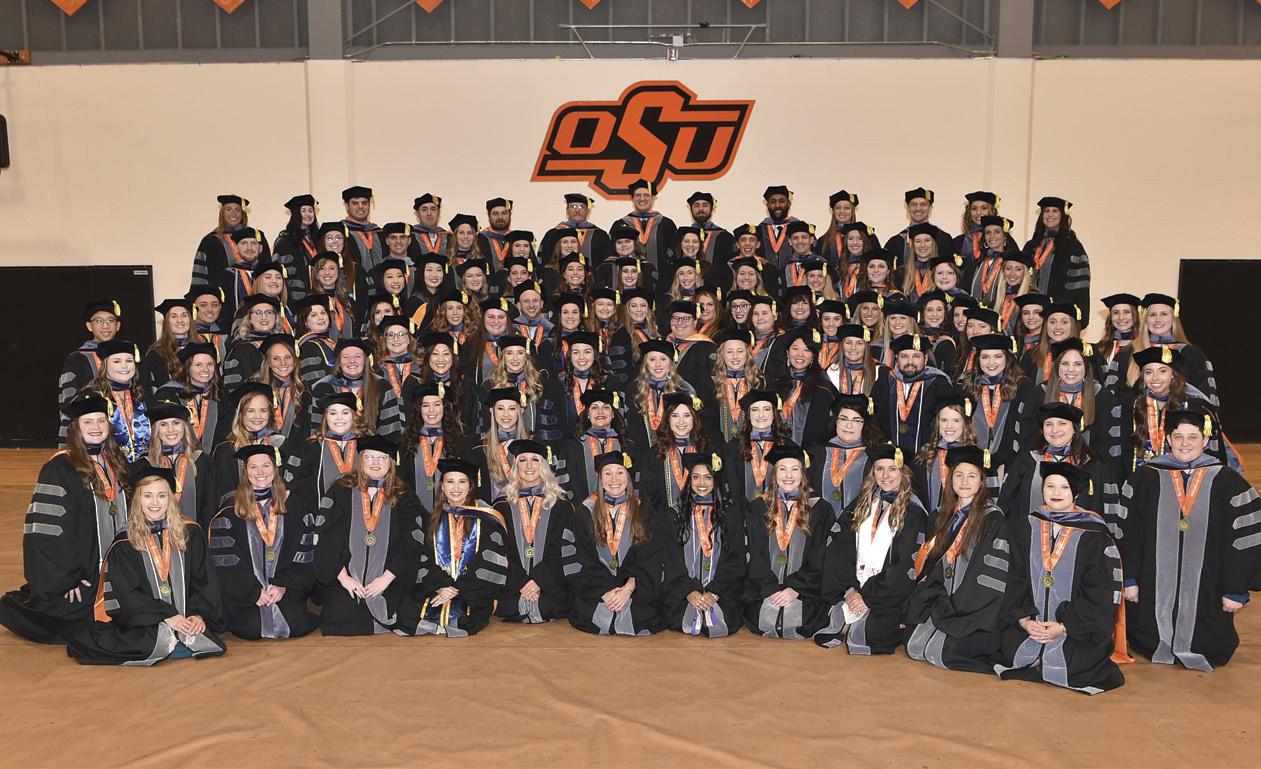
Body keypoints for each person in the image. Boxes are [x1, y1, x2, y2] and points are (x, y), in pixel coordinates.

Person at [1116, 408, 1261, 670]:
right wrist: (1130, 579)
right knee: (1148, 635)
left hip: (1210, 588)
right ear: (1168, 439)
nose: (1185, 443)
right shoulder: (1145, 478)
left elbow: (1245, 540)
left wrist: (1236, 590)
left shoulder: (1228, 481)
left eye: (1192, 437)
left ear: (1205, 440)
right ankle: (1159, 642)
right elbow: (1127, 534)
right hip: (1152, 585)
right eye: (1178, 436)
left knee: (1210, 640)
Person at [0, 392, 128, 643]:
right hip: (82, 575)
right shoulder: (60, 467)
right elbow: (47, 533)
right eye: (87, 421)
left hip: (117, 572)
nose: (96, 427)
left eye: (101, 420)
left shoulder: (116, 461)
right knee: (78, 623)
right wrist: (67, 580)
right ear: (75, 428)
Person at [67, 465, 225, 665]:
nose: (155, 503)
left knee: (205, 639)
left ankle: (182, 629)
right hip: (146, 620)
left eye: (161, 496)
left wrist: (198, 614)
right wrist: (167, 616)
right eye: (147, 496)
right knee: (148, 642)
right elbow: (127, 594)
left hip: (186, 615)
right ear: (138, 500)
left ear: (171, 499)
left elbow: (204, 580)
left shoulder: (190, 533)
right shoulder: (125, 542)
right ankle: (168, 634)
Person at [995, 462, 1126, 694]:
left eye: (1064, 487)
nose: (1056, 493)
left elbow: (1099, 591)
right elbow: (1015, 578)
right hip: (1032, 624)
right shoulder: (1027, 526)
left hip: (1075, 628)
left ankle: (1055, 646)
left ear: (1075, 493)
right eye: (1050, 486)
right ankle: (1035, 648)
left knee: (1079, 666)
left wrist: (1065, 627)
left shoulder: (1094, 532)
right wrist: (1024, 620)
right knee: (1006, 651)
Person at [905, 445, 1013, 673]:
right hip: (942, 602)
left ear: (981, 481)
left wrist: (956, 608)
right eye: (959, 475)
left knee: (942, 652)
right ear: (951, 479)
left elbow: (989, 575)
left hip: (973, 611)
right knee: (914, 646)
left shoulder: (993, 519)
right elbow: (930, 567)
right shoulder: (940, 516)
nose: (964, 481)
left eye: (972, 476)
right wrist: (938, 601)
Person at [816, 442, 930, 654]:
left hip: (887, 596)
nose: (886, 476)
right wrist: (849, 590)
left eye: (892, 469)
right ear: (873, 472)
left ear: (904, 472)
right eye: (879, 469)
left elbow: (904, 563)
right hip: (853, 587)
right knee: (820, 618)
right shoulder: (861, 504)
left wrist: (868, 597)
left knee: (871, 632)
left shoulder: (914, 512)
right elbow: (840, 548)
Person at [209, 444, 319, 640]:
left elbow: (305, 555)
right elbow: (226, 564)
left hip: (284, 591)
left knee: (294, 624)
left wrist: (283, 585)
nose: (260, 472)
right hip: (246, 596)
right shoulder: (230, 510)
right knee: (250, 627)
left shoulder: (296, 506)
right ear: (245, 472)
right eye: (253, 467)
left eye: (266, 466)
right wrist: (254, 593)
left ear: (275, 469)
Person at [314, 435, 421, 636]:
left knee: (399, 615)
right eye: (369, 457)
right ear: (360, 460)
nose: (375, 462)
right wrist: (345, 578)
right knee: (338, 619)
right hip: (347, 576)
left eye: (382, 457)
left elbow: (412, 541)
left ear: (391, 462)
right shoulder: (341, 490)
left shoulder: (404, 495)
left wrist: (386, 578)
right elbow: (326, 537)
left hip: (389, 577)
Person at [563, 450, 665, 635]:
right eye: (607, 473)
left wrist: (627, 589)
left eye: (620, 472)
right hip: (596, 590)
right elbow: (578, 558)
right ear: (600, 478)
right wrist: (605, 591)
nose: (614, 479)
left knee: (642, 614)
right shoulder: (585, 512)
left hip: (634, 589)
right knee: (588, 611)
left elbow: (651, 559)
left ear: (628, 477)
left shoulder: (644, 511)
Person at [403, 458, 509, 637]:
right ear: (442, 487)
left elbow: (489, 561)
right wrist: (441, 586)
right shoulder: (433, 519)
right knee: (406, 610)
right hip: (439, 587)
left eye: (462, 482)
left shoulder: (486, 519)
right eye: (450, 481)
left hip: (472, 590)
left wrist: (455, 589)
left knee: (465, 617)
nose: (456, 488)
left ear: (470, 486)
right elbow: (424, 558)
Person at [742, 443, 830, 639]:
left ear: (803, 473)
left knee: (803, 620)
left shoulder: (820, 509)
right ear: (774, 474)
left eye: (795, 469)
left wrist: (795, 589)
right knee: (761, 619)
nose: (788, 476)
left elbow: (819, 555)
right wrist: (770, 589)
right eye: (782, 469)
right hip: (764, 590)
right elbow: (754, 553)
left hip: (804, 592)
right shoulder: (758, 508)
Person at [659, 452, 746, 638]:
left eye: (708, 477)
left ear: (715, 480)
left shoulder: (730, 515)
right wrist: (689, 591)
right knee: (679, 618)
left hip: (721, 593)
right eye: (696, 477)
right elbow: (671, 562)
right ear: (689, 480)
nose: (702, 483)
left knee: (724, 620)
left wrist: (714, 593)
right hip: (684, 594)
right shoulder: (674, 515)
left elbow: (736, 561)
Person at [493, 440, 576, 624]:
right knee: (509, 606)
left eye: (535, 460)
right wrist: (521, 582)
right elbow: (500, 553)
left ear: (543, 466)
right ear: (516, 467)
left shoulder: (561, 507)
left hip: (550, 587)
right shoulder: (501, 507)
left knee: (549, 605)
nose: (529, 466)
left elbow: (563, 551)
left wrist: (538, 581)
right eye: (523, 460)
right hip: (513, 588)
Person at [139, 398, 215, 527]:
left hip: (195, 533)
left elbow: (210, 508)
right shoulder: (145, 465)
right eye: (163, 424)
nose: (171, 430)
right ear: (156, 429)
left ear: (184, 426)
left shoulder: (202, 461)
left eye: (176, 423)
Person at [873, 334, 953, 454]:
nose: (910, 362)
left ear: (925, 358)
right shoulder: (885, 382)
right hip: (889, 457)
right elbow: (875, 420)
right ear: (896, 358)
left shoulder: (939, 384)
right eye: (904, 356)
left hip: (927, 456)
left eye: (916, 356)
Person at [58, 299, 123, 445]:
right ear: (89, 326)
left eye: (110, 320)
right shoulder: (76, 359)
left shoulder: (125, 358)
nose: (105, 325)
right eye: (99, 321)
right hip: (89, 431)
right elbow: (69, 403)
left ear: (118, 325)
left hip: (121, 429)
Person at [808, 394, 880, 519]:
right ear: (836, 421)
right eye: (843, 419)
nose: (849, 425)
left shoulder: (873, 457)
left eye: (856, 420)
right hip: (820, 524)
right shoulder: (816, 453)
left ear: (865, 424)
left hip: (859, 523)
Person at [1021, 196, 1090, 319]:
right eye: (1046, 211)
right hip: (1031, 312)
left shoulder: (1072, 246)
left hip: (1056, 312)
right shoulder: (1031, 245)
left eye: (1054, 211)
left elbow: (1079, 287)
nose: (1050, 215)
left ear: (1063, 215)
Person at [91, 339, 151, 463]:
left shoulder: (142, 395)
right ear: (104, 365)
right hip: (109, 465)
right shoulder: (93, 397)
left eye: (129, 361)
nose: (124, 366)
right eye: (117, 361)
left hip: (143, 466)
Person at [191, 193, 267, 289]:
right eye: (229, 209)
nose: (233, 214)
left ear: (243, 214)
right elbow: (200, 274)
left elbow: (267, 267)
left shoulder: (256, 237)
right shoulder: (210, 241)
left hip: (256, 292)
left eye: (238, 210)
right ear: (222, 213)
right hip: (222, 293)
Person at [883, 187, 954, 265]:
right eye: (913, 204)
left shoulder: (943, 239)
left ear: (930, 208)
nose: (918, 208)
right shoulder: (895, 242)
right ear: (907, 208)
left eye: (923, 204)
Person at [141, 298, 194, 401]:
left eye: (184, 315)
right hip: (169, 407)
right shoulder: (156, 354)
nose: (180, 320)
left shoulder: (202, 349)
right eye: (174, 316)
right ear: (167, 322)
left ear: (190, 320)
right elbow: (148, 389)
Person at [340, 186, 385, 274]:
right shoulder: (341, 233)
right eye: (355, 203)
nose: (360, 206)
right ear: (347, 206)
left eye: (364, 203)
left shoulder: (379, 233)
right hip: (353, 281)